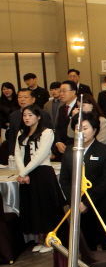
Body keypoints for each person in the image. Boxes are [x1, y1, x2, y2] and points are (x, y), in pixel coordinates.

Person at [59, 112, 106, 251]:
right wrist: (74, 201)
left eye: (85, 128)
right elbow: (64, 179)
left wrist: (86, 202)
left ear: (95, 130)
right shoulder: (69, 151)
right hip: (78, 206)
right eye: (78, 129)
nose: (81, 132)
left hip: (101, 205)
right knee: (87, 247)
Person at [14, 106, 64, 253]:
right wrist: (23, 173)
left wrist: (23, 173)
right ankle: (41, 239)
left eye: (30, 115)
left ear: (38, 117)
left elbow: (40, 155)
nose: (27, 118)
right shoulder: (22, 132)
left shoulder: (47, 132)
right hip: (27, 175)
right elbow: (17, 153)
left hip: (42, 173)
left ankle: (52, 241)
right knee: (33, 208)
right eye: (24, 115)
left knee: (46, 207)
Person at [53, 81, 80, 159]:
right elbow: (58, 127)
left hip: (75, 148)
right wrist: (58, 142)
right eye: (60, 91)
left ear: (74, 92)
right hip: (62, 149)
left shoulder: (81, 106)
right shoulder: (62, 108)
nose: (61, 94)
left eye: (64, 91)